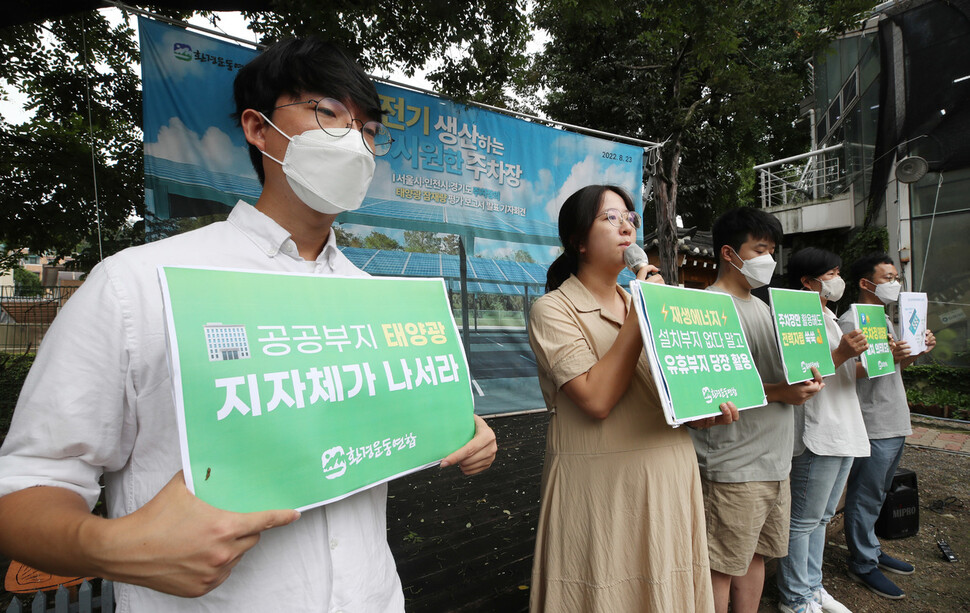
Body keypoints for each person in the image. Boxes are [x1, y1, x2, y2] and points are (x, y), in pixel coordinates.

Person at [0, 38, 497, 612]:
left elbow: (366, 430)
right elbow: (25, 490)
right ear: (259, 130)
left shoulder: (373, 299)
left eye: (368, 130)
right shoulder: (137, 284)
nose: (355, 143)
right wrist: (112, 547)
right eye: (329, 113)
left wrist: (453, 426)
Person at [527, 185, 738, 612]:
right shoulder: (552, 309)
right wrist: (642, 314)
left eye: (630, 217)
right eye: (610, 217)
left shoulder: (654, 304)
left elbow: (674, 394)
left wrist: (702, 414)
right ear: (578, 240)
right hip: (602, 484)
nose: (626, 225)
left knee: (668, 586)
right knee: (604, 588)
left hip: (669, 472)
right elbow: (596, 398)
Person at [689, 207, 825, 613]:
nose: (769, 259)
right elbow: (712, 391)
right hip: (734, 464)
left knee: (757, 555)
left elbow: (786, 374)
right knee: (720, 566)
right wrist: (782, 393)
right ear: (729, 253)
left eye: (772, 250)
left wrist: (809, 373)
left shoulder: (766, 308)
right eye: (760, 249)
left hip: (774, 461)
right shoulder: (709, 308)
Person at [775, 248, 871, 613]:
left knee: (822, 517)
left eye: (837, 272)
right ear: (807, 281)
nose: (836, 280)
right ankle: (795, 597)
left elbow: (846, 373)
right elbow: (799, 375)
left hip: (843, 426)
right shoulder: (791, 316)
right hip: (817, 431)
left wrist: (879, 356)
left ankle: (812, 587)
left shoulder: (829, 316)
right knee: (802, 520)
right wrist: (842, 354)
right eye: (829, 273)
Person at [838, 253, 936, 600]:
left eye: (897, 277)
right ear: (866, 284)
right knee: (864, 495)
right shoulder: (852, 321)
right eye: (889, 277)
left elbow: (893, 369)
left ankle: (872, 549)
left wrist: (914, 353)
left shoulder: (886, 320)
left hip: (894, 418)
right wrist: (887, 358)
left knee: (878, 492)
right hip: (872, 422)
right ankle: (862, 563)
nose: (895, 284)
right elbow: (847, 372)